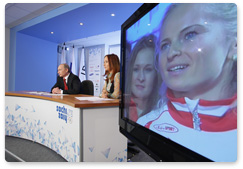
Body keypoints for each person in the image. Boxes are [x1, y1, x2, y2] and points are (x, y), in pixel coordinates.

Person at [137, 3, 237, 162]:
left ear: (235, 44)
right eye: (165, 45)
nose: (171, 53)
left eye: (190, 35)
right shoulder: (146, 124)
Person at [125, 35, 161, 122]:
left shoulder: (162, 112)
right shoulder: (123, 107)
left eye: (148, 70)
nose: (141, 78)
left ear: (156, 74)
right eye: (136, 69)